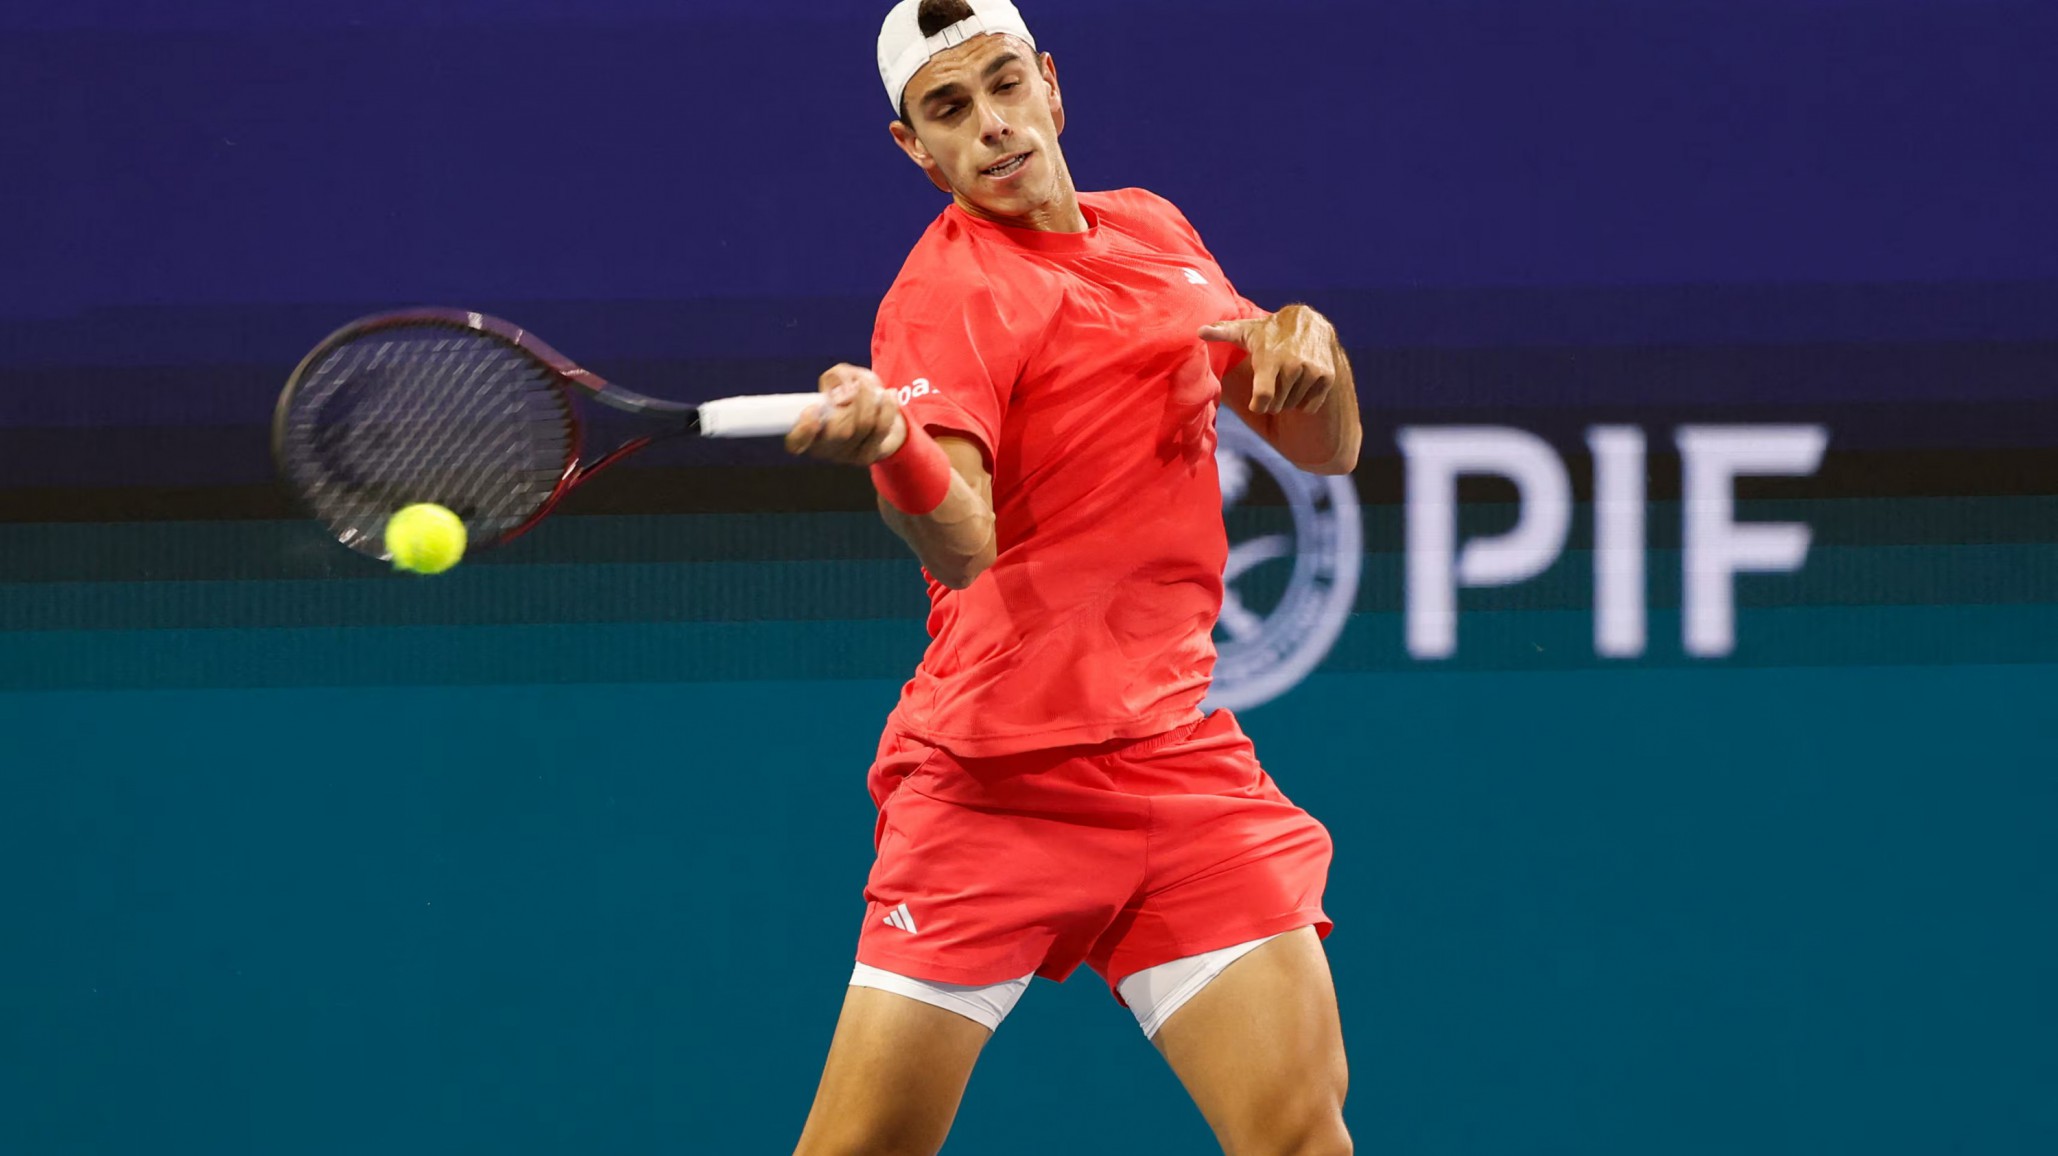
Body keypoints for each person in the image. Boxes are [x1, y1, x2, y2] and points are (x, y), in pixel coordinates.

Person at [783, 2, 1361, 1152]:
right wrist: (892, 449)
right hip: (998, 786)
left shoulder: (1151, 229)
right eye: (950, 109)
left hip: (1173, 763)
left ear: (1051, 84)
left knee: (1301, 1134)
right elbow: (961, 537)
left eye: (1004, 85)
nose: (992, 126)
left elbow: (1322, 446)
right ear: (915, 148)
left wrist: (1309, 341)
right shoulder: (946, 297)